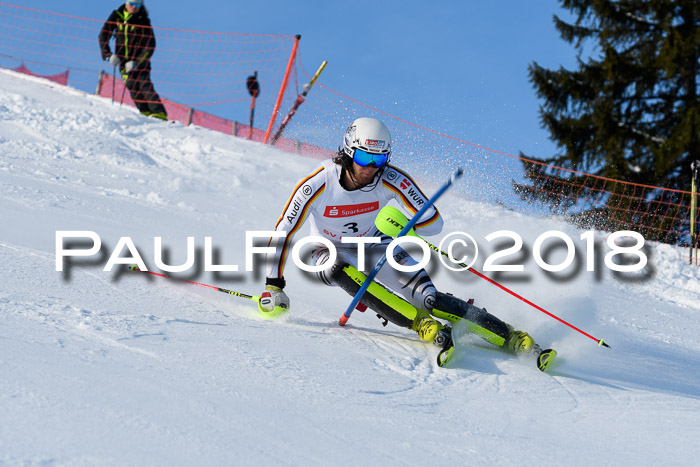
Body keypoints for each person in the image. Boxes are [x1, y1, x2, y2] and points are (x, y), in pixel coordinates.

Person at [260, 117, 550, 368]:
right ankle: (422, 325)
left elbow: (434, 223)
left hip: (375, 244)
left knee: (430, 299)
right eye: (363, 159)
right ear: (348, 153)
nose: (371, 168)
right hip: (327, 248)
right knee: (336, 268)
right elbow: (284, 230)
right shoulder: (320, 181)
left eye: (379, 160)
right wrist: (274, 284)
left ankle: (513, 337)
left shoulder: (391, 178)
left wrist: (405, 224)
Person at [99, 1, 168, 121]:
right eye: (132, 3)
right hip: (123, 62)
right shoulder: (117, 16)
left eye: (138, 5)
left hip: (140, 62)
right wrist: (108, 55)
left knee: (144, 84)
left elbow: (150, 44)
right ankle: (145, 111)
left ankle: (159, 113)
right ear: (126, 3)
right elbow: (103, 35)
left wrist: (137, 62)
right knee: (131, 85)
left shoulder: (143, 20)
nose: (134, 7)